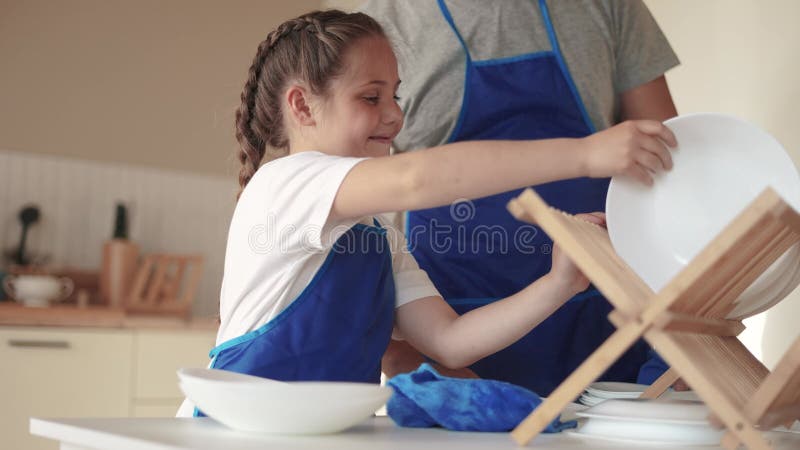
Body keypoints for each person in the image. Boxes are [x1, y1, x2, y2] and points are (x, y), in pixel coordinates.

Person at [176, 9, 676, 416]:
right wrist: (586, 155)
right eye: (371, 97)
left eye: (395, 94)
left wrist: (559, 284)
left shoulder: (376, 236)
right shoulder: (285, 183)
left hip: (317, 432)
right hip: (234, 429)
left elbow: (453, 342)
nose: (395, 114)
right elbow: (417, 180)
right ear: (302, 108)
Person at [358, 0, 681, 394]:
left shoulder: (610, 6)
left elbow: (667, 169)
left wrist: (680, 339)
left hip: (604, 318)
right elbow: (364, 185)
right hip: (452, 332)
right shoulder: (379, 25)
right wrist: (403, 359)